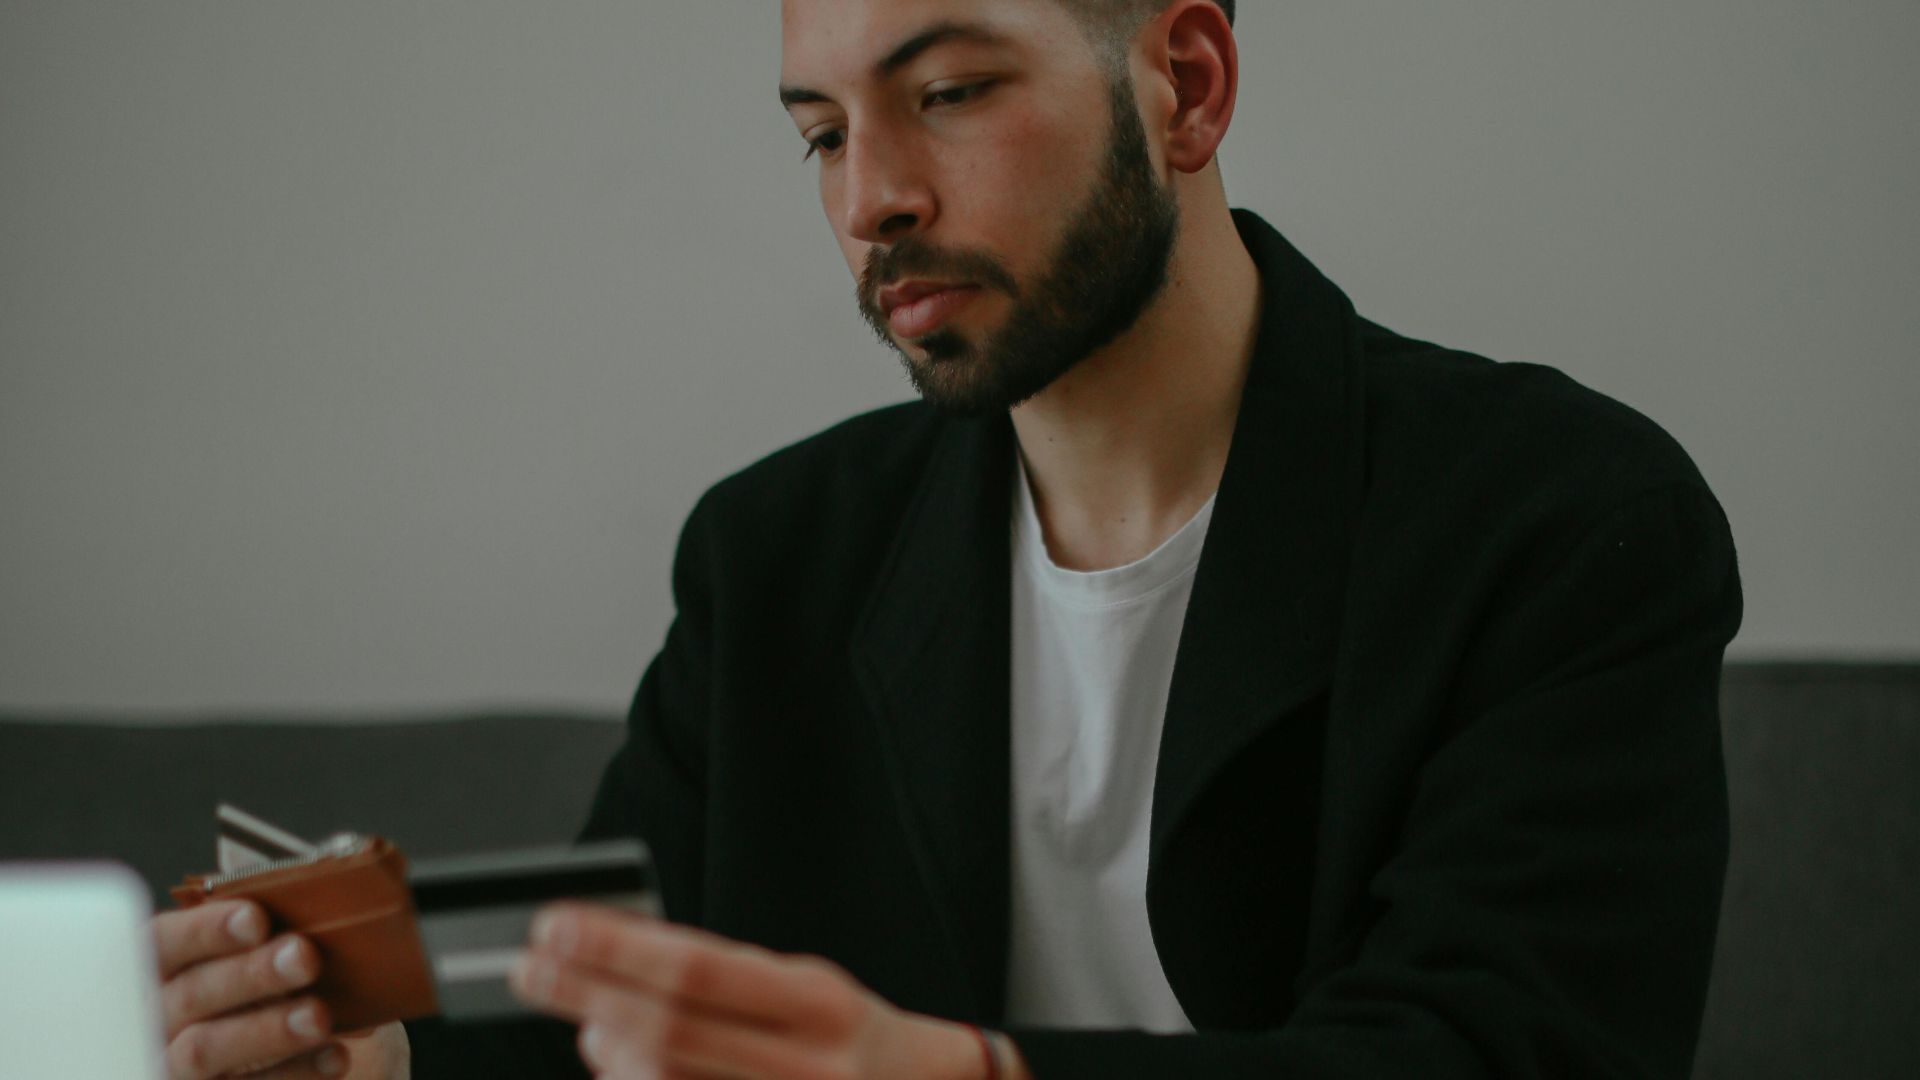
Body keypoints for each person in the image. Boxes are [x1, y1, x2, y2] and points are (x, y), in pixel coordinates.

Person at [150, 0, 1744, 1076]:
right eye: (822, 134)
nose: (871, 200)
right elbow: (625, 984)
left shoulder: (1563, 524)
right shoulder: (771, 555)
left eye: (950, 93)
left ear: (1185, 87)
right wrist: (374, 1044)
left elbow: (1499, 1054)